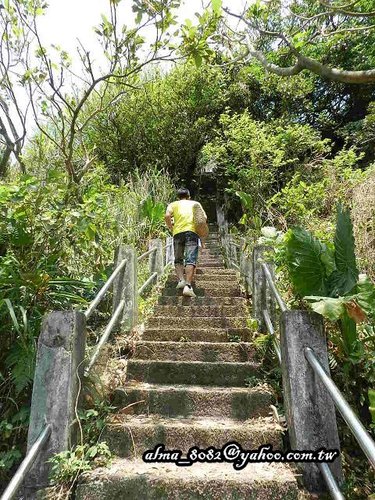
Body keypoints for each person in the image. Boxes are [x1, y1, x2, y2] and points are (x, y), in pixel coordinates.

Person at [165, 188, 207, 297]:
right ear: (189, 196)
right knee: (190, 259)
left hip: (177, 233)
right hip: (192, 232)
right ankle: (188, 286)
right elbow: (203, 218)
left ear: (178, 197)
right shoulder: (195, 204)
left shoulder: (173, 204)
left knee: (178, 259)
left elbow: (167, 216)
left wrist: (170, 227)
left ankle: (181, 280)